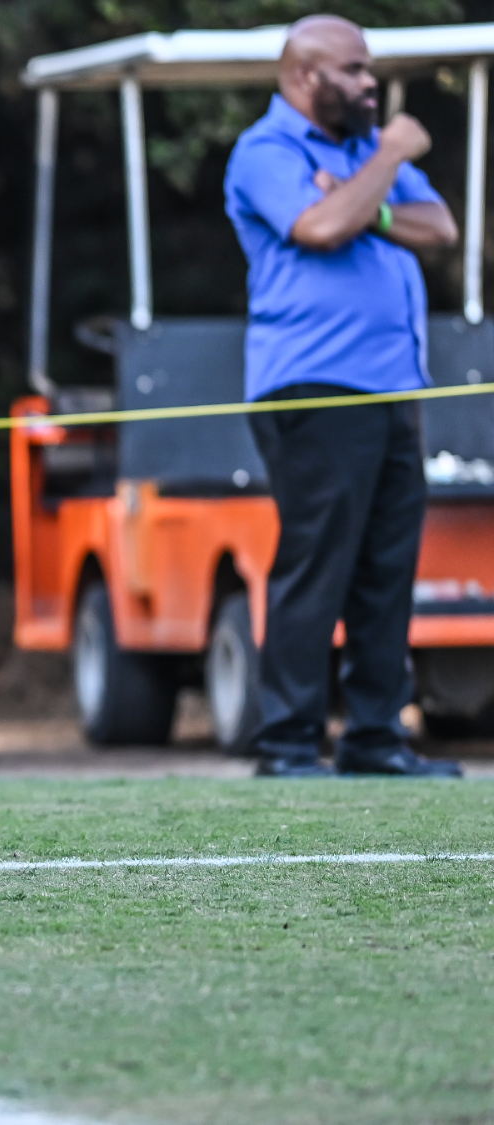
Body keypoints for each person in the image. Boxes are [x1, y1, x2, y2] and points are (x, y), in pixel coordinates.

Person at [222, 15, 460, 778]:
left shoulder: (360, 154)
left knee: (388, 566)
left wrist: (373, 201)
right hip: (317, 384)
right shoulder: (267, 151)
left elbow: (441, 227)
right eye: (354, 70)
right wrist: (389, 157)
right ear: (304, 77)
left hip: (394, 386)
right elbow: (319, 225)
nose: (370, 84)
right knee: (318, 561)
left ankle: (373, 736)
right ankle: (288, 741)